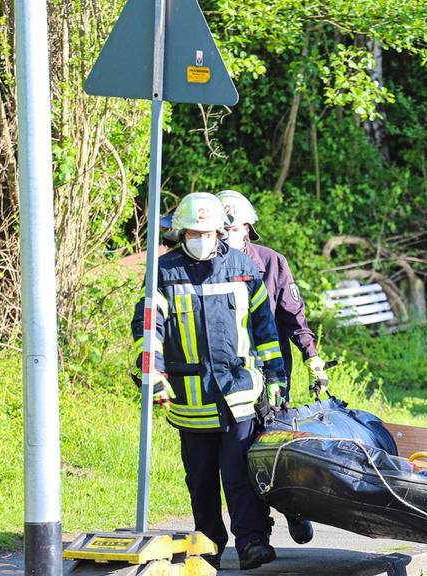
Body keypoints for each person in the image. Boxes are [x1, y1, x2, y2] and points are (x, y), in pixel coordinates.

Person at [130, 192, 287, 570]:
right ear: (181, 232)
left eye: (208, 231)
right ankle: (208, 546)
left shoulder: (243, 267)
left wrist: (276, 377)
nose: (201, 238)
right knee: (200, 480)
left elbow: (265, 329)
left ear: (220, 231)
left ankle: (252, 543)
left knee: (239, 477)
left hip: (239, 395)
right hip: (190, 399)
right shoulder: (164, 273)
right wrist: (152, 370)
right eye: (193, 232)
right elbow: (148, 326)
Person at [217, 189, 329, 544]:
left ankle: (294, 510)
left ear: (247, 228)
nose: (224, 237)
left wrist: (312, 357)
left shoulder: (271, 262)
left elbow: (294, 318)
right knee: (238, 457)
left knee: (271, 448)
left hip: (270, 375)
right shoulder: (211, 266)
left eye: (230, 229)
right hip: (229, 378)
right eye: (220, 230)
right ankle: (255, 532)